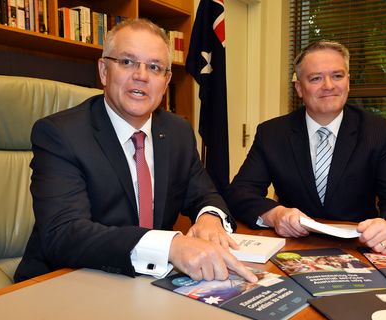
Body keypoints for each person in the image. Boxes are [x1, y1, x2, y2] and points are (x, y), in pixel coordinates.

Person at [14, 18, 256, 284]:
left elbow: (205, 193)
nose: (141, 75)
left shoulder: (177, 131)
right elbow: (64, 234)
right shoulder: (60, 134)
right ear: (104, 71)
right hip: (64, 284)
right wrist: (170, 246)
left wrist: (210, 218)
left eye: (154, 67)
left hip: (146, 283)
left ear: (165, 82)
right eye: (127, 62)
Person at [225, 40, 386, 255]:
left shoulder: (379, 132)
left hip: (360, 247)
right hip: (294, 247)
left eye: (337, 76)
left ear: (348, 82)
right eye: (316, 78)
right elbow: (240, 192)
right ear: (299, 88)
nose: (329, 85)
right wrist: (276, 215)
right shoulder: (272, 133)